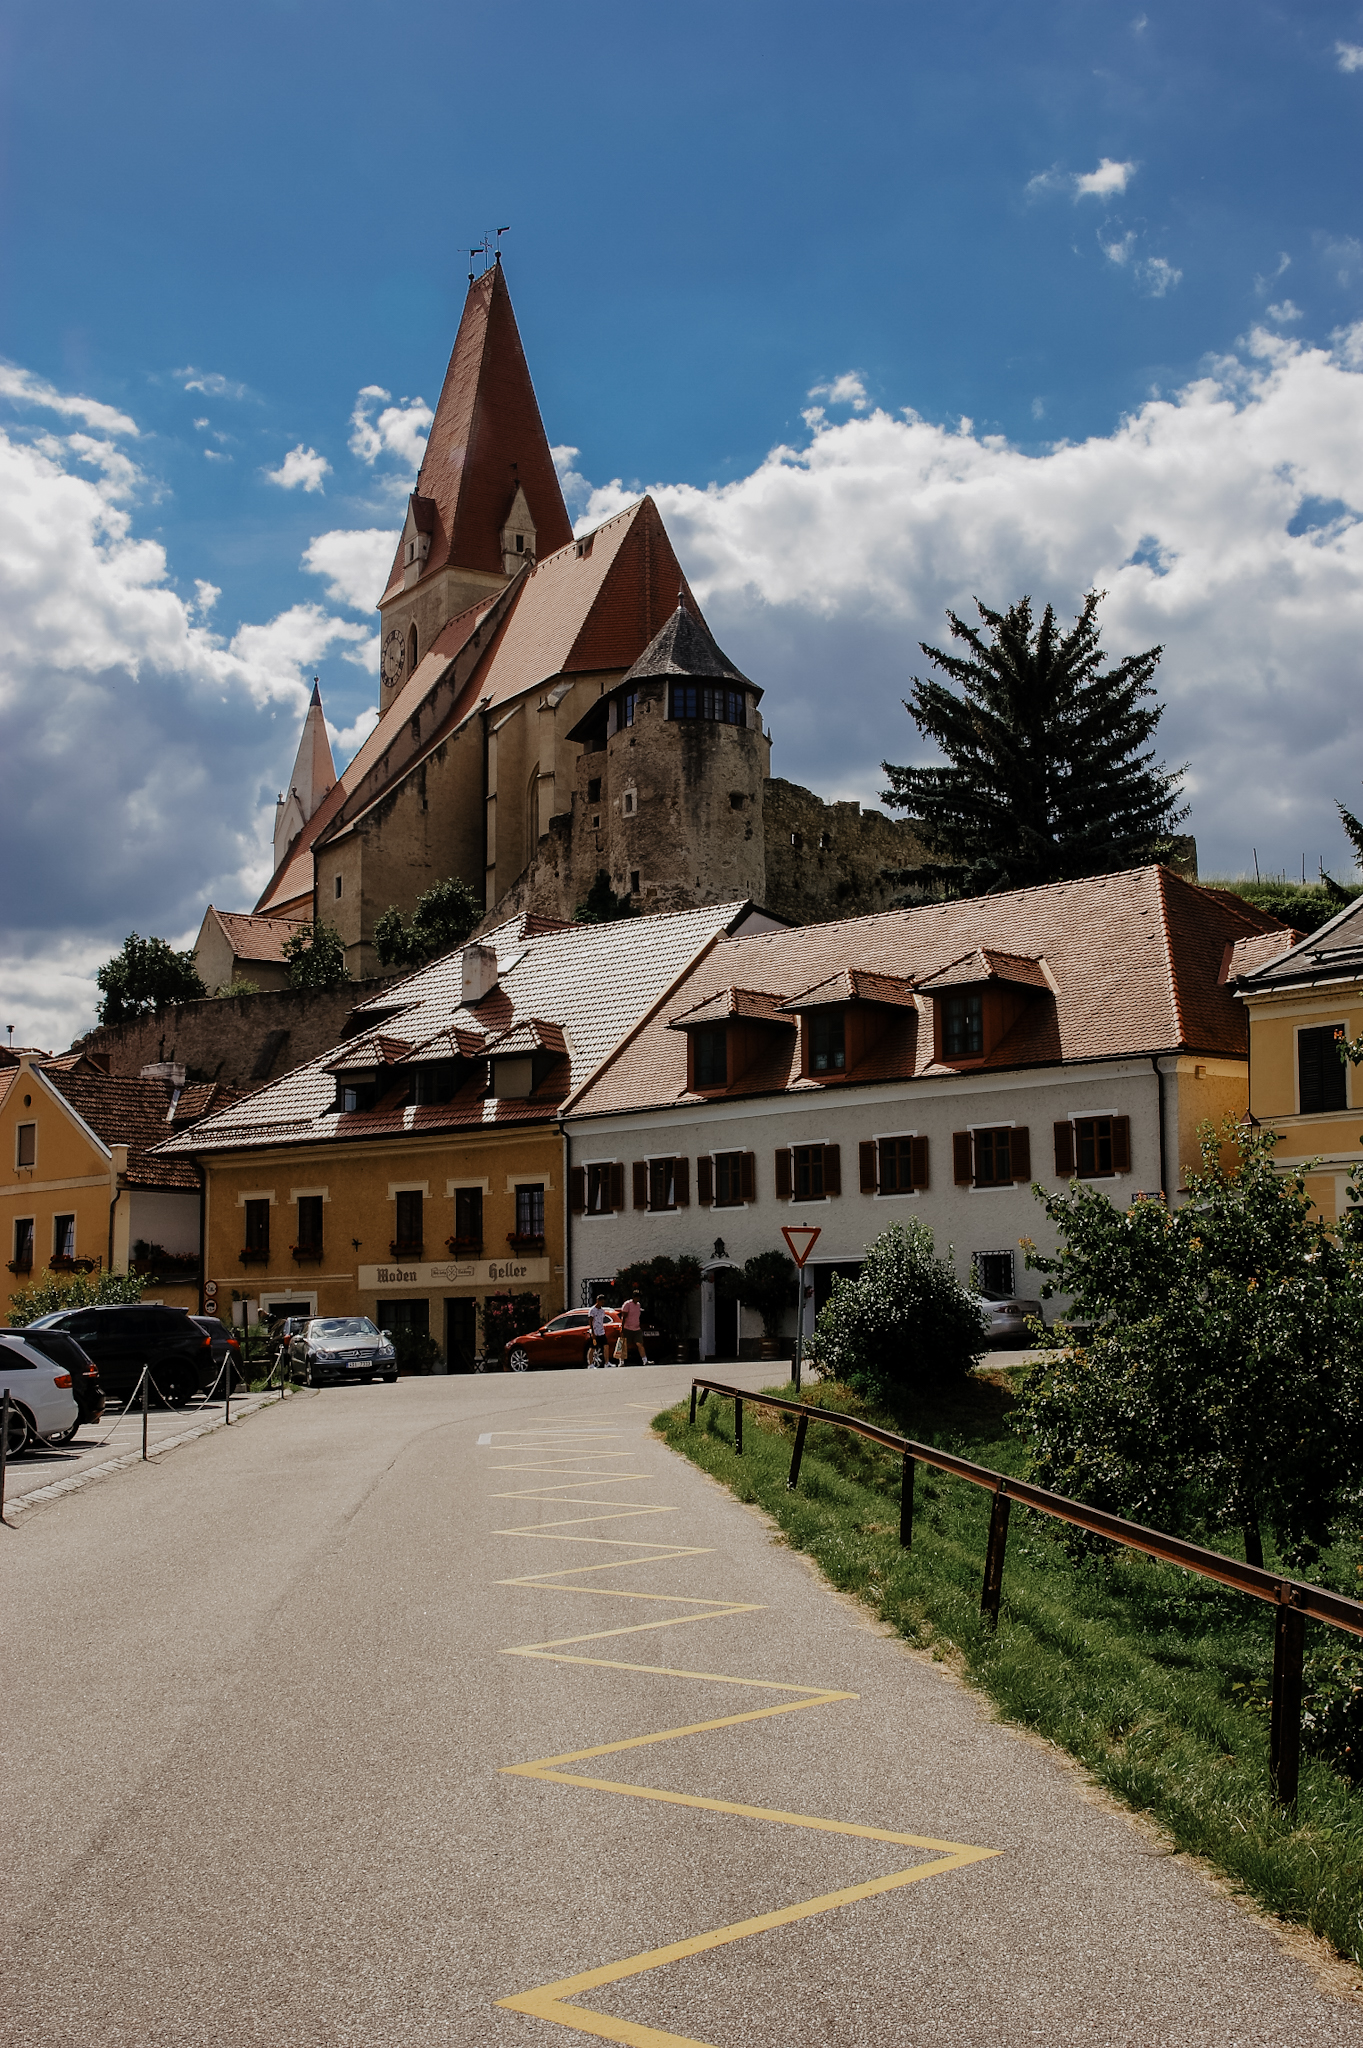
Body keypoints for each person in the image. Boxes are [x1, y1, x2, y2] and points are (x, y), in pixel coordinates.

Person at [618, 1287, 648, 1368]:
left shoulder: (638, 1305)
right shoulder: (627, 1304)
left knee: (640, 1344)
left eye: (639, 1297)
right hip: (627, 1328)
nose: (638, 1299)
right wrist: (622, 1327)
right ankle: (621, 1361)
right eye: (636, 1297)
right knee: (624, 1345)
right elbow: (624, 1316)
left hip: (636, 1328)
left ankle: (645, 1360)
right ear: (633, 1297)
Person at [587, 1295, 608, 1369]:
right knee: (592, 1348)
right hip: (595, 1331)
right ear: (597, 1301)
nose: (602, 1303)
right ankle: (590, 1364)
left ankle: (607, 1363)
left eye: (603, 1302)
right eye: (601, 1301)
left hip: (601, 1331)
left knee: (606, 1346)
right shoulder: (592, 1310)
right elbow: (590, 1321)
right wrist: (592, 1332)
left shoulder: (602, 1310)